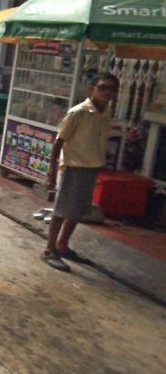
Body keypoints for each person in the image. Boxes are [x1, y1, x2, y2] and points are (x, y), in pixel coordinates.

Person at [42, 72, 119, 272]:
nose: (107, 92)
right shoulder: (78, 112)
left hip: (91, 167)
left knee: (77, 210)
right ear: (92, 89)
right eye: (103, 87)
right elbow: (59, 141)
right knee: (62, 209)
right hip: (73, 166)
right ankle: (50, 249)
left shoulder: (106, 112)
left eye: (111, 89)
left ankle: (62, 244)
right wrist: (51, 172)